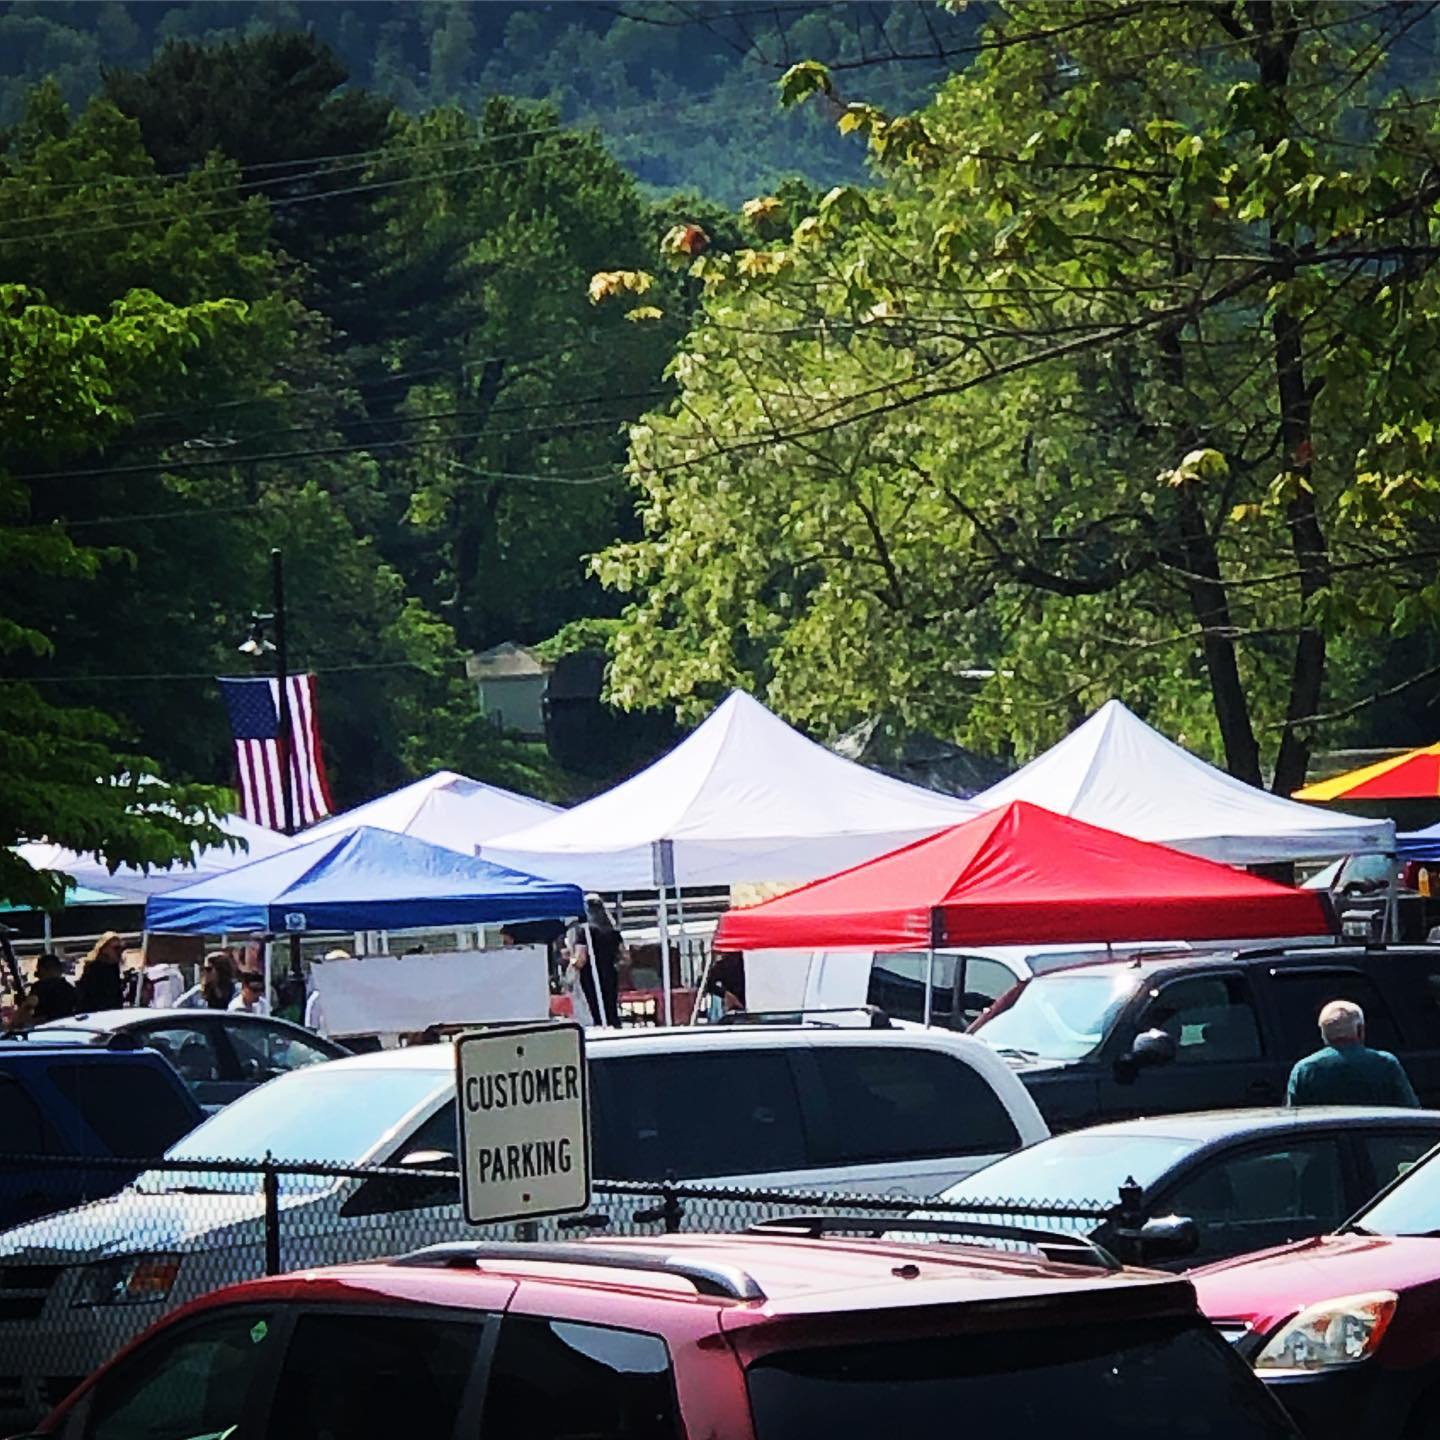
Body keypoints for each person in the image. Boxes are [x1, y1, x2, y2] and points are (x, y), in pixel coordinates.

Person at [1287, 1000, 1420, 1107]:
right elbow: (1411, 1111)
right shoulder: (1386, 1064)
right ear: (1360, 1030)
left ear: (1323, 1034)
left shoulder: (1304, 1070)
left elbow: (1294, 1119)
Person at [566, 895, 624, 1029]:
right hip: (610, 973)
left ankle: (601, 1029)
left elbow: (580, 959)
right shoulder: (613, 932)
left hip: (591, 976)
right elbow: (625, 958)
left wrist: (570, 959)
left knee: (595, 1008)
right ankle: (615, 1027)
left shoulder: (585, 931)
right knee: (610, 1007)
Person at [6, 953, 77, 1030]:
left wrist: (15, 1022)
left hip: (44, 1032)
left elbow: (30, 1003)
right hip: (68, 1030)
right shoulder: (70, 988)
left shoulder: (41, 986)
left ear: (43, 970)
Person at [74, 932, 126, 1013]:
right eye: (116, 948)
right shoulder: (93, 970)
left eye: (121, 949)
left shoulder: (114, 968)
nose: (120, 952)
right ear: (104, 949)